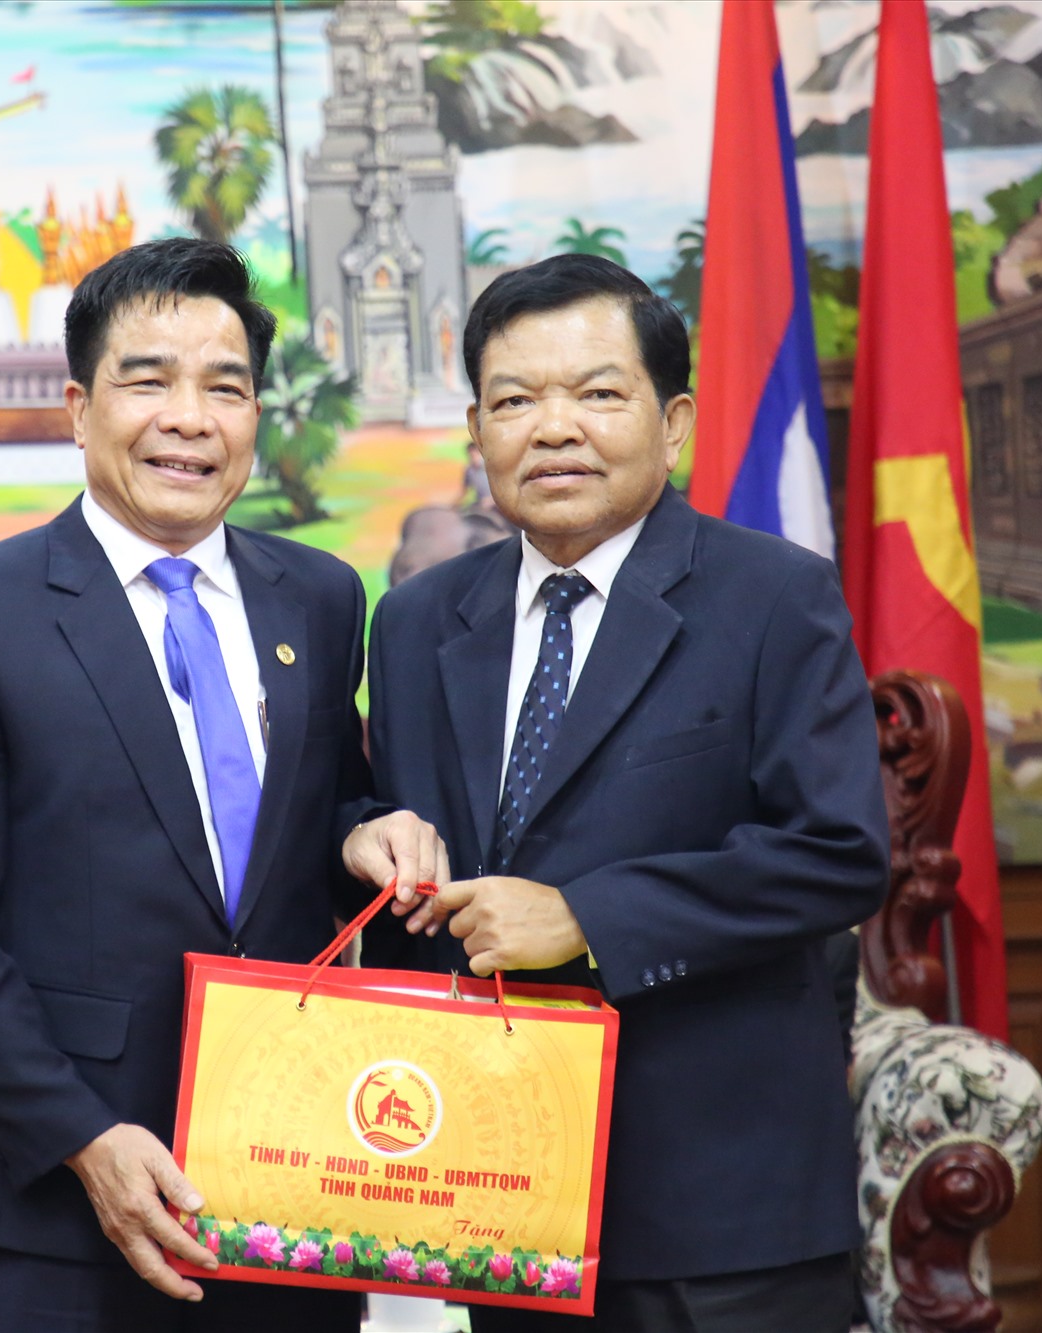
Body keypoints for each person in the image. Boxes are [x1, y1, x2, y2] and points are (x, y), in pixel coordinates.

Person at [0, 237, 447, 1333]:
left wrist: (371, 831)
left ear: (254, 418)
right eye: (148, 380)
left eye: (224, 387)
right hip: (53, 1196)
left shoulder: (319, 598)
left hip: (281, 1175)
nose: (189, 417)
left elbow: (318, 808)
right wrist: (82, 1135)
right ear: (79, 409)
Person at [364, 253, 889, 1332]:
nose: (552, 429)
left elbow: (836, 851)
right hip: (502, 1191)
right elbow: (379, 816)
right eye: (513, 401)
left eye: (598, 394)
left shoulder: (770, 597)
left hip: (719, 1206)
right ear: (476, 435)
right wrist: (362, 838)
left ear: (673, 421)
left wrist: (583, 919)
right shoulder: (417, 622)